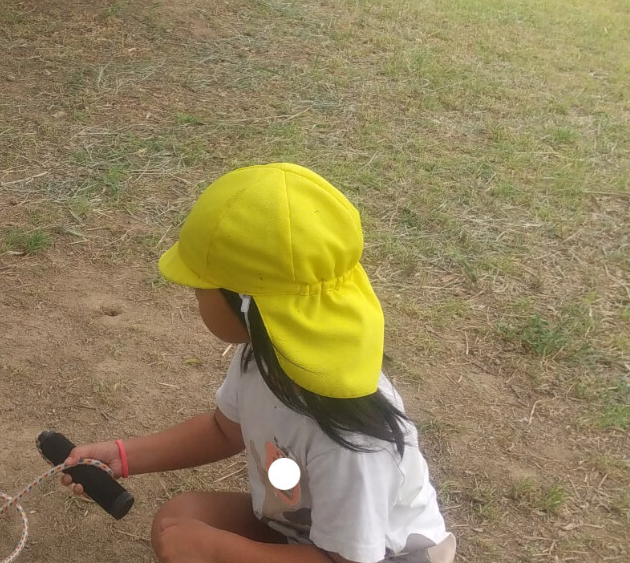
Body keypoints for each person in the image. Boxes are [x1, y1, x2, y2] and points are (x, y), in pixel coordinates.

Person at [62, 163, 456, 563]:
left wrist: (220, 551)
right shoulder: (264, 356)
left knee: (199, 545)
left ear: (247, 304)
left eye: (200, 290)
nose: (195, 299)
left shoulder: (351, 442)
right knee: (177, 521)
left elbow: (348, 560)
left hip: (374, 555)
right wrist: (124, 455)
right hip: (303, 531)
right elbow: (222, 430)